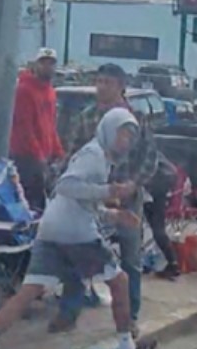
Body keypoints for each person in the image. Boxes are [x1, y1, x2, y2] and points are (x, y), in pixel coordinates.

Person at [0, 107, 155, 349]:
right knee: (120, 281)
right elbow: (66, 186)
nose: (125, 142)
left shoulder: (97, 156)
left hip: (51, 228)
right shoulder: (94, 155)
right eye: (122, 134)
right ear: (108, 132)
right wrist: (109, 191)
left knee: (28, 290)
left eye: (129, 137)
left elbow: (76, 201)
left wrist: (113, 215)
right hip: (77, 233)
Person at [55, 64, 161, 334]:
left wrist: (133, 184)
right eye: (99, 81)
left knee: (130, 258)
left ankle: (130, 318)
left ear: (120, 86)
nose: (102, 87)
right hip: (94, 196)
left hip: (127, 196)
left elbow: (150, 158)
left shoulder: (136, 119)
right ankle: (68, 312)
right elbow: (72, 154)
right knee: (77, 252)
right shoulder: (87, 117)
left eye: (108, 82)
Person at [9, 48, 64, 216]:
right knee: (32, 203)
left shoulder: (50, 92)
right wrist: (39, 156)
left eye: (51, 63)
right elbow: (24, 127)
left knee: (43, 201)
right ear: (35, 65)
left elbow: (51, 125)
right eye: (43, 63)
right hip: (25, 157)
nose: (47, 67)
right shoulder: (24, 90)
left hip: (42, 158)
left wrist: (58, 151)